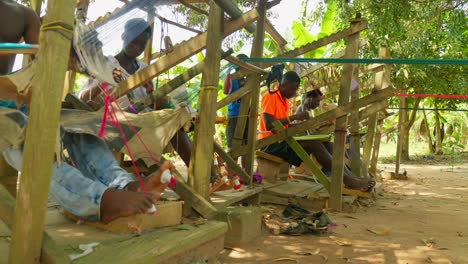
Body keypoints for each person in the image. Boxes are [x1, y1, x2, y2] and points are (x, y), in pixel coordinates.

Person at [0, 2, 171, 223]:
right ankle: (99, 200)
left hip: (12, 97)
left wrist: (68, 47)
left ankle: (125, 184)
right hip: (8, 111)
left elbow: (42, 67)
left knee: (77, 125)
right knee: (21, 131)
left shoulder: (22, 14)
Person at [78, 18, 218, 181]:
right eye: (133, 41)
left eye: (141, 44)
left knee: (192, 123)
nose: (136, 47)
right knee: (174, 126)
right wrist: (106, 81)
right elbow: (82, 97)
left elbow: (154, 104)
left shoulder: (145, 70)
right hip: (118, 123)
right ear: (123, 36)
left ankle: (210, 177)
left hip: (143, 120)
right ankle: (208, 179)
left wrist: (151, 92)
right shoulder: (107, 64)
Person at [258, 71, 374, 191]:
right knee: (314, 144)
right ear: (284, 84)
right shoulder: (270, 96)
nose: (294, 93)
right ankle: (348, 181)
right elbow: (269, 125)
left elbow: (284, 127)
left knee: (328, 144)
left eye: (296, 89)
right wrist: (294, 117)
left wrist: (301, 125)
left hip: (282, 140)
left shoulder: (285, 100)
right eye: (293, 89)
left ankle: (350, 178)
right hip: (270, 144)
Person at [223, 54, 249, 151]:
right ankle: (231, 165)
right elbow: (225, 91)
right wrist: (228, 74)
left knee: (245, 146)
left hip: (247, 115)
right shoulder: (232, 77)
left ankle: (244, 167)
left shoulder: (249, 78)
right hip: (234, 116)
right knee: (232, 146)